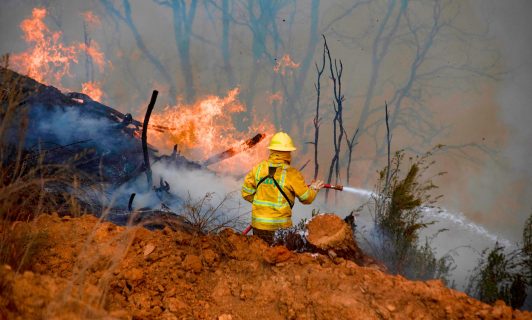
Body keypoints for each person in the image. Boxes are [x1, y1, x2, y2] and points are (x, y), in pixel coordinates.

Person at [241, 132, 325, 244]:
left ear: (272, 150)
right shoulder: (292, 174)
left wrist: (262, 201)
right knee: (280, 257)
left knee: (261, 255)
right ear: (288, 153)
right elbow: (306, 198)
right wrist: (314, 189)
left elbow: (246, 193)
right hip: (280, 228)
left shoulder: (258, 169)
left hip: (258, 227)